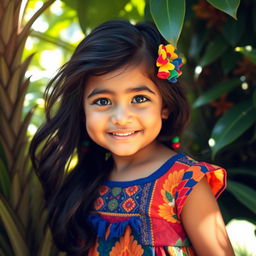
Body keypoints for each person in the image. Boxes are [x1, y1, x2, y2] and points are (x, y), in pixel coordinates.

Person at [30, 20, 235, 256]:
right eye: (103, 101)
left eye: (139, 99)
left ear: (165, 105)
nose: (121, 118)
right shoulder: (86, 183)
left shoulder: (186, 182)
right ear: (81, 109)